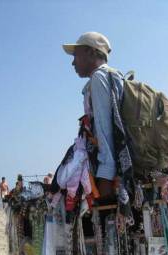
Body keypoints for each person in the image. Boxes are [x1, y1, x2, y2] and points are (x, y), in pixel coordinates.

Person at [62, 32, 123, 200]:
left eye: (76, 55)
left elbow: (105, 132)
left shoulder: (99, 78)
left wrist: (104, 179)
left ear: (90, 52)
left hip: (108, 179)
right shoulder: (114, 76)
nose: (73, 62)